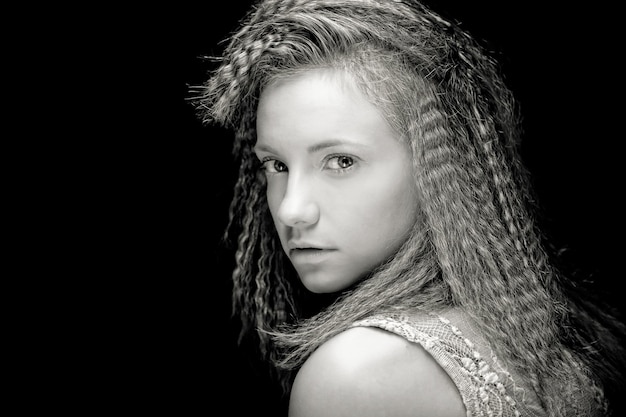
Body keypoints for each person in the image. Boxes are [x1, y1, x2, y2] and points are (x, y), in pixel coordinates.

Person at [191, 0, 626, 415]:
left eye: (342, 161)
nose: (291, 210)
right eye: (277, 164)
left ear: (438, 166)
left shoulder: (357, 374)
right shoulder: (532, 333)